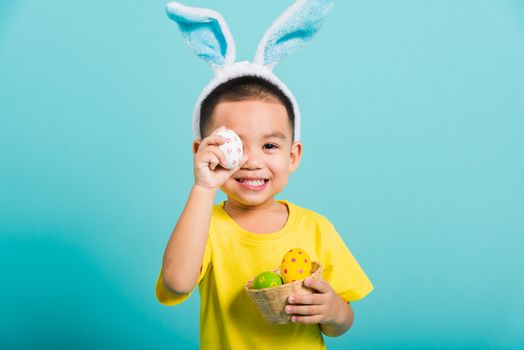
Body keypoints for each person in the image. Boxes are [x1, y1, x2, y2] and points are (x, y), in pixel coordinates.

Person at [156, 1, 373, 349]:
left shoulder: (317, 229)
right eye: (234, 146)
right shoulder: (205, 227)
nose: (252, 162)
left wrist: (333, 310)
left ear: (293, 155)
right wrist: (203, 187)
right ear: (203, 151)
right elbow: (177, 283)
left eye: (270, 147)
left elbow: (341, 323)